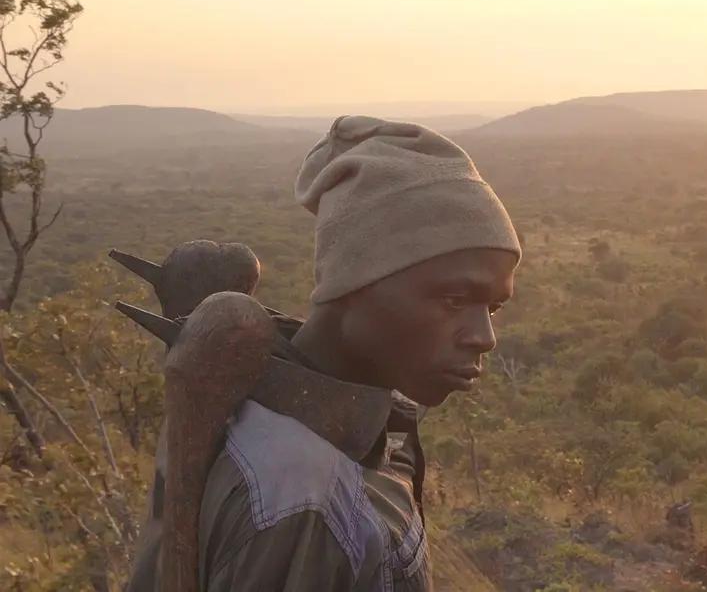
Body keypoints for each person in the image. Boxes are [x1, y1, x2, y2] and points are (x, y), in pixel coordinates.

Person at [126, 115, 521, 591]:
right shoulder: (304, 502)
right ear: (354, 283)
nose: (484, 336)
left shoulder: (322, 421)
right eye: (454, 300)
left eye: (493, 308)